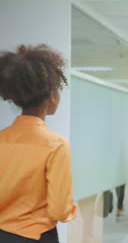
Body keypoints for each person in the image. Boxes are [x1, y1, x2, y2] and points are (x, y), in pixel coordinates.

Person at [0, 44, 77, 242]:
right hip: (36, 236)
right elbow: (60, 210)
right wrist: (71, 210)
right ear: (51, 98)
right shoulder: (55, 145)